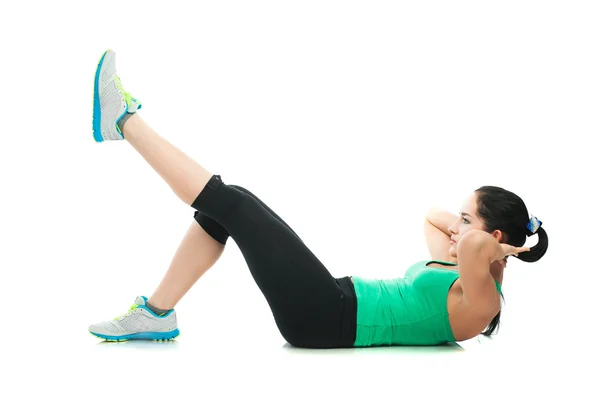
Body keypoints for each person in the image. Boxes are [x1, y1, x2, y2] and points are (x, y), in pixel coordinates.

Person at [88, 50, 549, 348]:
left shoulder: (482, 300)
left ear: (495, 237)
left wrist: (493, 247)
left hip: (326, 318)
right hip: (332, 299)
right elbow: (433, 218)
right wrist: (472, 231)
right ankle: (156, 314)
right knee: (229, 206)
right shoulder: (458, 269)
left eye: (468, 218)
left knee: (234, 203)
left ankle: (125, 123)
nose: (458, 227)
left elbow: (471, 246)